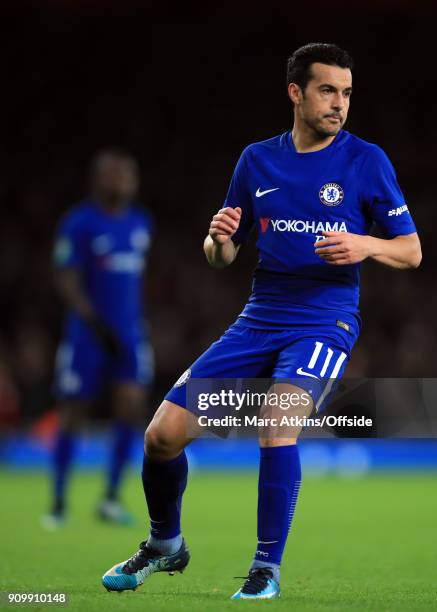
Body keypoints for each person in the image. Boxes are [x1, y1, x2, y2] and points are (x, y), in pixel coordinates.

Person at [102, 43, 421, 599]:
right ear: (296, 93)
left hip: (325, 321)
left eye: (346, 93)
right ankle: (164, 545)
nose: (339, 103)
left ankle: (265, 568)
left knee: (277, 422)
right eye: (327, 90)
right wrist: (217, 239)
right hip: (258, 318)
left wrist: (365, 244)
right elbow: (222, 252)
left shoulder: (366, 160)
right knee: (160, 438)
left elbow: (411, 249)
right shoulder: (256, 160)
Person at [43, 148, 154, 528]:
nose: (125, 181)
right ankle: (58, 501)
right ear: (99, 179)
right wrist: (93, 320)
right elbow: (65, 277)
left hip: (129, 332)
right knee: (73, 411)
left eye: (129, 174)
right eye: (117, 174)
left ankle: (110, 498)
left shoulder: (141, 224)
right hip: (87, 334)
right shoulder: (79, 222)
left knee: (131, 405)